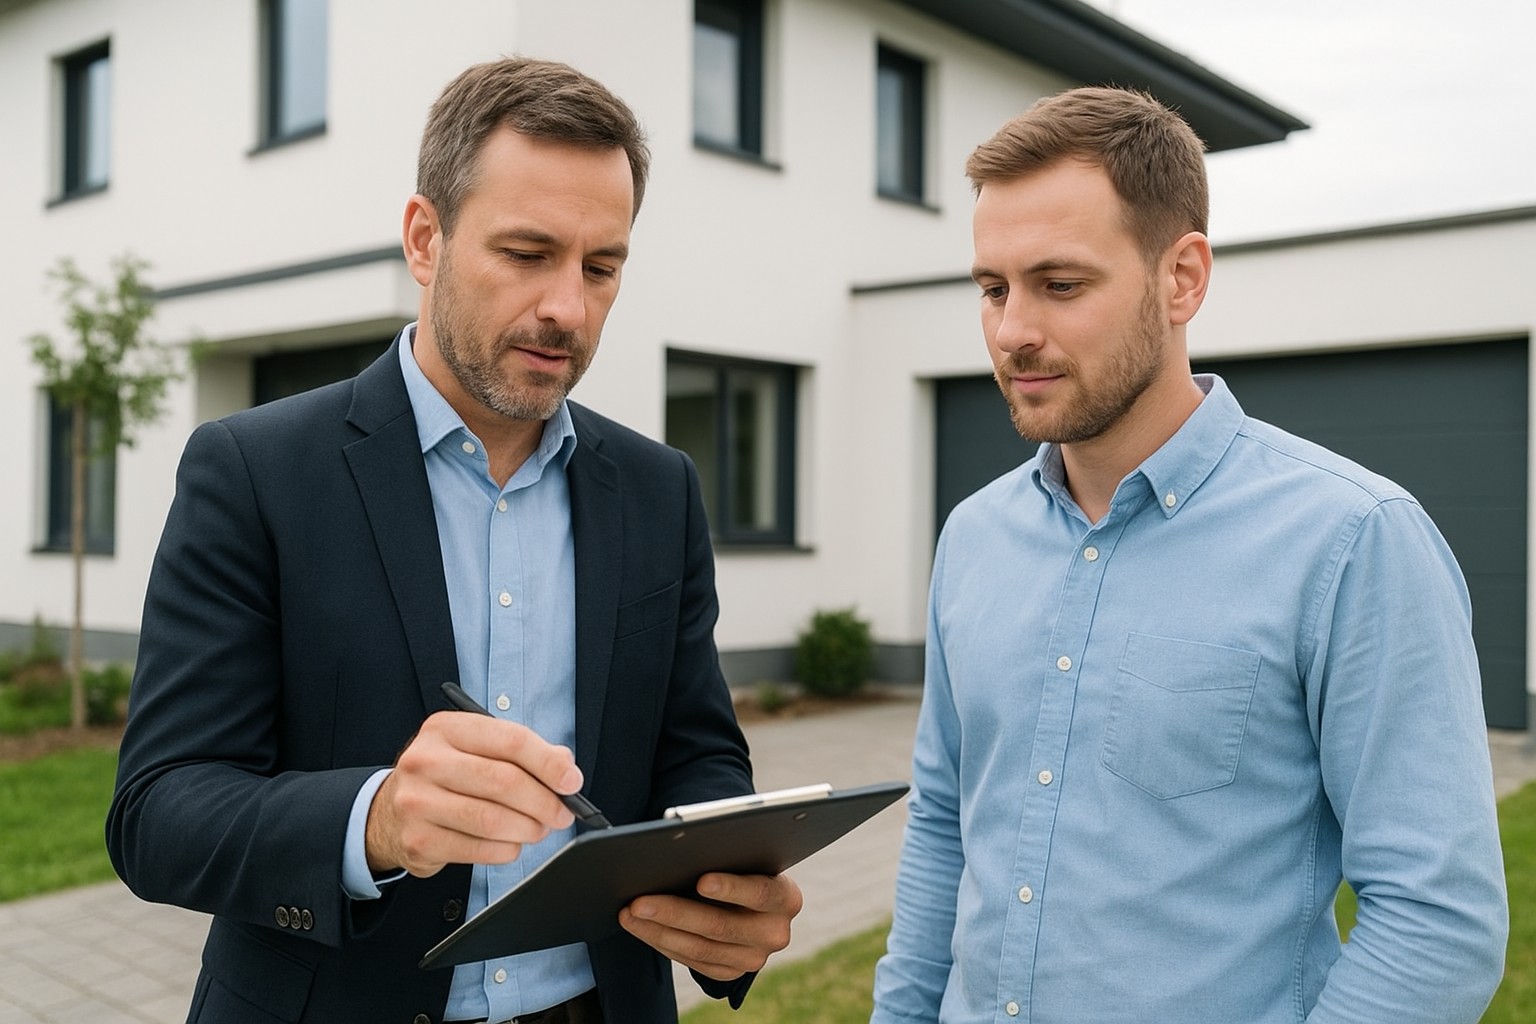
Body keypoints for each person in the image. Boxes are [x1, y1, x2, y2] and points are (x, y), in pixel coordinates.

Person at [107, 57, 802, 1024]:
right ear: (425, 239)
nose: (569, 307)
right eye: (527, 253)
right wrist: (377, 820)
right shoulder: (254, 471)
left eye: (602, 268)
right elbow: (158, 814)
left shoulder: (659, 490)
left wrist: (726, 892)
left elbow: (697, 754)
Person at [870, 87, 1508, 1023]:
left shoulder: (1352, 540)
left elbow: (1437, 919)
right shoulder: (973, 536)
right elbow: (941, 829)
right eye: (992, 288)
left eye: (1061, 284)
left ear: (1183, 279)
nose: (1011, 331)